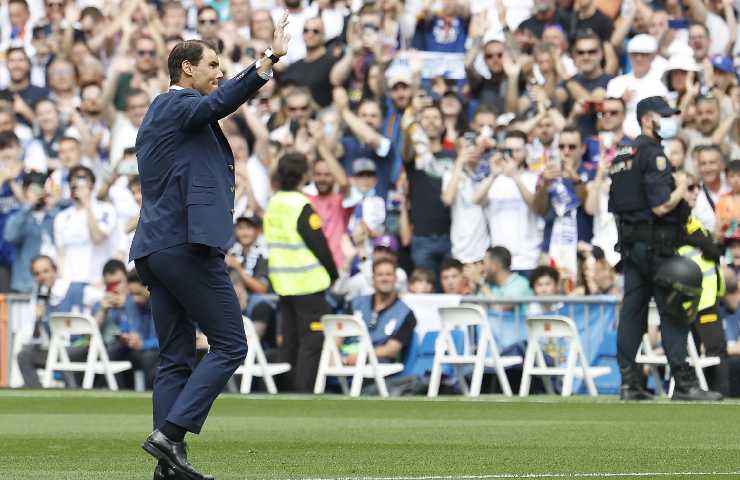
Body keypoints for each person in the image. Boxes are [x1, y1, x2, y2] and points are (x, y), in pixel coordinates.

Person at [131, 16, 290, 480]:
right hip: (185, 246)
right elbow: (222, 102)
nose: (219, 72)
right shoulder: (175, 105)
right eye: (213, 64)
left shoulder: (165, 113)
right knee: (231, 344)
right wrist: (268, 60)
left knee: (176, 357)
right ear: (186, 69)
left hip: (157, 248)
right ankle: (171, 434)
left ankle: (168, 469)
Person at [608, 96, 722, 402]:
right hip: (657, 245)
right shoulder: (654, 154)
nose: (668, 121)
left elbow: (618, 205)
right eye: (663, 116)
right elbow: (661, 206)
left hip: (631, 246)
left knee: (633, 312)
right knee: (674, 311)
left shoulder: (622, 155)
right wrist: (681, 189)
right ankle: (684, 385)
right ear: (648, 119)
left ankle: (629, 383)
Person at [263, 152, 338, 393]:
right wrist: (333, 274)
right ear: (304, 175)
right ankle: (304, 393)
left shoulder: (273, 203)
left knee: (290, 340)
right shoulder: (300, 204)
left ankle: (286, 392)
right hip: (308, 282)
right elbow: (319, 245)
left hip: (283, 282)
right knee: (311, 342)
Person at [343, 257, 416, 366]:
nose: (384, 278)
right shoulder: (355, 303)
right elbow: (337, 336)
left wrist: (363, 356)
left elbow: (392, 349)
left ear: (395, 278)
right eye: (380, 274)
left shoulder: (406, 313)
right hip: (345, 359)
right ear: (373, 278)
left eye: (388, 274)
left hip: (377, 366)